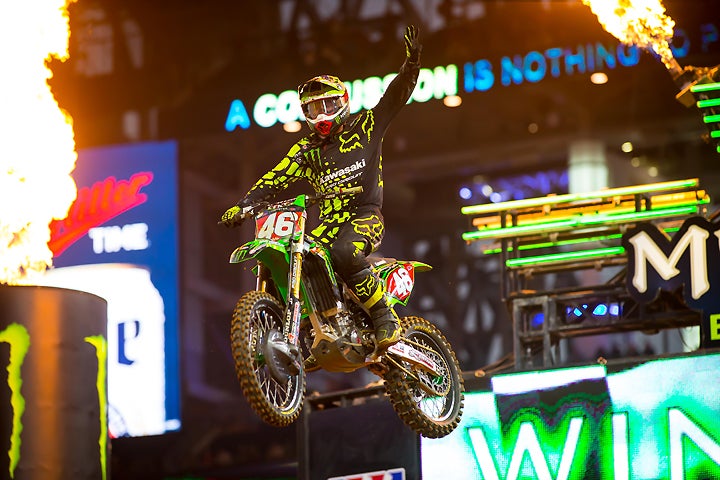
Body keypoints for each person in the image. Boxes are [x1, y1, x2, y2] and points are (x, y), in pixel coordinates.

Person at [222, 25, 421, 359]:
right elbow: (276, 178)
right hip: (326, 226)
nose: (322, 115)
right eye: (314, 109)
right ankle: (306, 328)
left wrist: (412, 63)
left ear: (342, 104)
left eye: (328, 106)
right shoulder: (306, 149)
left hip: (364, 216)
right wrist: (244, 206)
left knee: (344, 254)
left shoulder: (367, 126)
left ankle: (385, 318)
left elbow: (395, 95)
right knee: (296, 255)